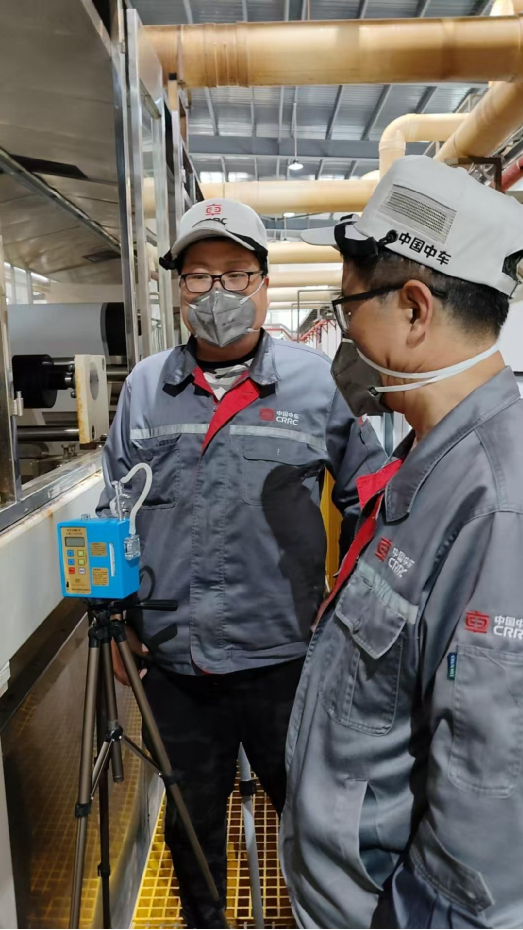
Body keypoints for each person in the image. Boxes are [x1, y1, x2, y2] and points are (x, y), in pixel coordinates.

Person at [97, 197, 385, 929]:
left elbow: (371, 503)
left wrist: (350, 617)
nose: (216, 291)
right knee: (190, 823)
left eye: (234, 273)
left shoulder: (315, 385)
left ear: (262, 283)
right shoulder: (145, 390)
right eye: (198, 276)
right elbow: (113, 513)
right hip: (175, 664)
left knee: (309, 817)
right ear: (178, 288)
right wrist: (119, 620)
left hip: (286, 660)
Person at [280, 155, 523, 930]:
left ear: (414, 309)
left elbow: (489, 796)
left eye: (347, 307)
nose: (343, 331)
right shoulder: (430, 454)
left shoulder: (495, 503)